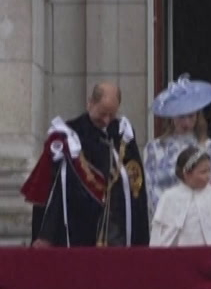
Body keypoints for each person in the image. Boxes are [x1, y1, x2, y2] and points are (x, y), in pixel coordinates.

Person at [23, 82, 150, 247]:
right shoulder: (70, 134)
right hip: (81, 229)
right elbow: (52, 187)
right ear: (90, 103)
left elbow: (136, 185)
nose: (106, 120)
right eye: (102, 113)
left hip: (117, 229)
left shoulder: (122, 133)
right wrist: (45, 233)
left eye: (111, 115)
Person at [144, 76, 211, 207]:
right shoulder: (154, 148)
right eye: (181, 116)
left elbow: (208, 185)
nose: (186, 122)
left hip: (197, 214)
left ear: (197, 115)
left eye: (191, 116)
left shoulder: (208, 147)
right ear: (172, 116)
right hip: (166, 215)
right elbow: (151, 188)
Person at [151, 147, 211, 247]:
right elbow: (158, 236)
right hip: (178, 257)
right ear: (187, 174)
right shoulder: (169, 197)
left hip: (210, 256)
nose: (208, 176)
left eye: (209, 170)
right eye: (203, 172)